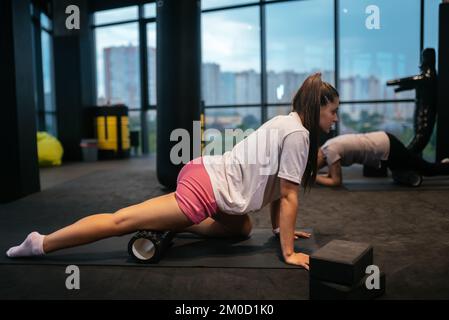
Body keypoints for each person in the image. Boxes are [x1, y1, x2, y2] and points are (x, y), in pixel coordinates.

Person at [6, 73, 340, 270]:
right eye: (333, 112)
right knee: (122, 221)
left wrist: (282, 227)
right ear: (317, 107)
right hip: (206, 189)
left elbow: (276, 186)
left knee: (241, 229)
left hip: (210, 176)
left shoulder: (287, 122)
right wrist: (288, 252)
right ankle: (40, 242)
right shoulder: (298, 134)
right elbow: (289, 194)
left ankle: (179, 225)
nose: (335, 119)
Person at [316, 131, 449, 187]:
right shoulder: (328, 146)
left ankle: (444, 167)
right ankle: (443, 165)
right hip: (384, 145)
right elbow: (331, 174)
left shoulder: (330, 151)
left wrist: (313, 177)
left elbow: (336, 181)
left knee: (427, 169)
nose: (315, 167)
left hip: (387, 147)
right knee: (400, 174)